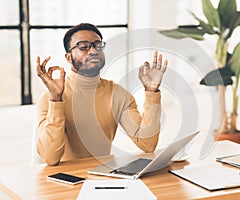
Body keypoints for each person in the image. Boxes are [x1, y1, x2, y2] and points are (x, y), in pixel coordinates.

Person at [36, 23, 168, 166]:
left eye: (97, 45)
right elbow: (50, 158)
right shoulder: (49, 98)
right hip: (63, 181)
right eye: (83, 46)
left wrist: (151, 92)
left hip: (103, 175)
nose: (93, 50)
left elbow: (147, 144)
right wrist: (56, 100)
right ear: (68, 57)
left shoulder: (117, 94)